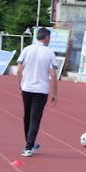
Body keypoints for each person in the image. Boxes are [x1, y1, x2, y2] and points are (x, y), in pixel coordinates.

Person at [17, 27, 57, 157]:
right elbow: (53, 74)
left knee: (27, 116)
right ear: (46, 38)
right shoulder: (49, 53)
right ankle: (29, 146)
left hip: (27, 88)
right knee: (35, 118)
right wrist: (54, 93)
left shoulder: (26, 49)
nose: (49, 40)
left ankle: (29, 143)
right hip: (41, 90)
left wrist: (20, 84)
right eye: (49, 38)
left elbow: (19, 70)